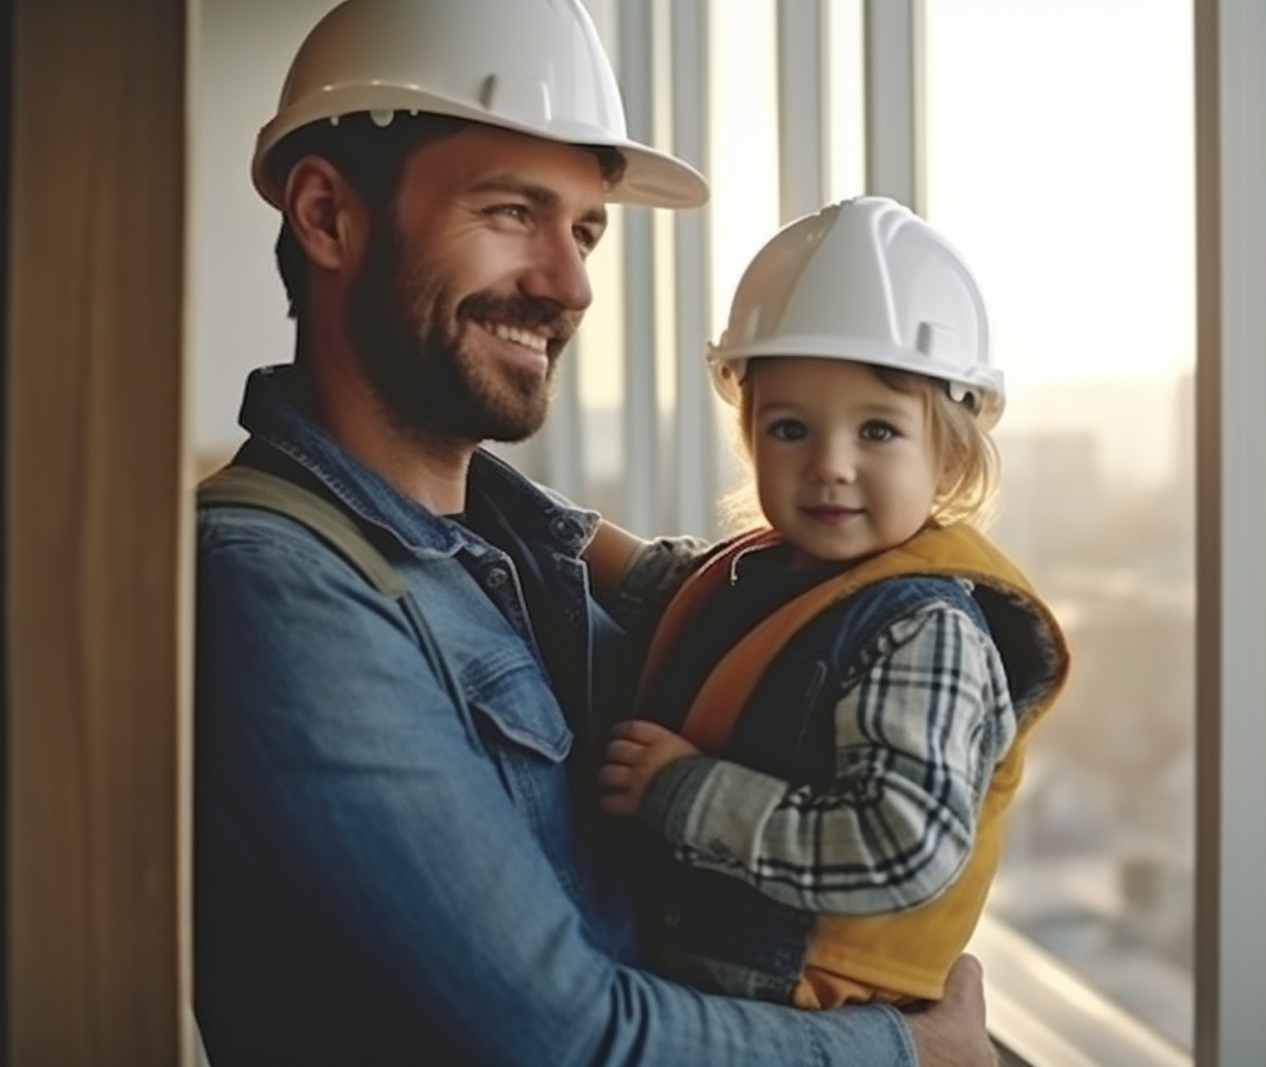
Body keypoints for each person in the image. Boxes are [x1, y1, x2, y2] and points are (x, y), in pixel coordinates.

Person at [192, 1, 997, 1064]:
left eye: (581, 230)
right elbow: (560, 1036)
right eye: (511, 212)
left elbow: (759, 613)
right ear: (329, 215)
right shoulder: (276, 589)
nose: (569, 285)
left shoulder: (517, 548)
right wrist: (905, 1051)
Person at [594, 196, 1071, 1011]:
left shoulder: (927, 630)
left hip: (805, 1004)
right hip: (712, 981)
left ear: (948, 455)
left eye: (877, 432)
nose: (830, 465)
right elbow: (669, 587)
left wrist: (683, 791)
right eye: (789, 429)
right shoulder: (777, 569)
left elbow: (898, 844)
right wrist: (518, 510)